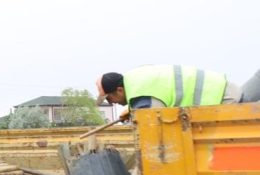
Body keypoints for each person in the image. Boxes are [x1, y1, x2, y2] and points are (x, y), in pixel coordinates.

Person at [97, 65, 253, 111]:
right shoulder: (135, 82)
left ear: (119, 90)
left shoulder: (141, 97)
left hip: (221, 99)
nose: (112, 103)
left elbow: (154, 132)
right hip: (221, 90)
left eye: (109, 98)